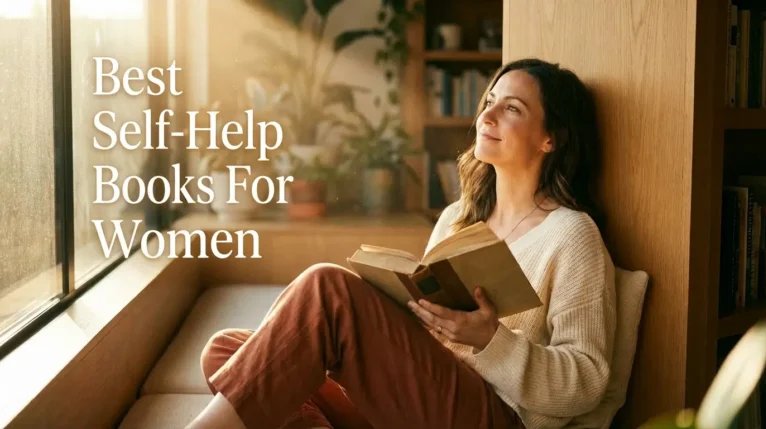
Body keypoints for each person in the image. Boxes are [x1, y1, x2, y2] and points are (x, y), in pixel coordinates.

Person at [186, 58, 617, 429]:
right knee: (230, 352)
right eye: (489, 102)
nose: (488, 116)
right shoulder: (458, 218)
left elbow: (586, 382)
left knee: (326, 290)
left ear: (550, 139)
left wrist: (492, 341)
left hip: (496, 415)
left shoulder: (571, 234)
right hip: (423, 401)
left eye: (512, 109)